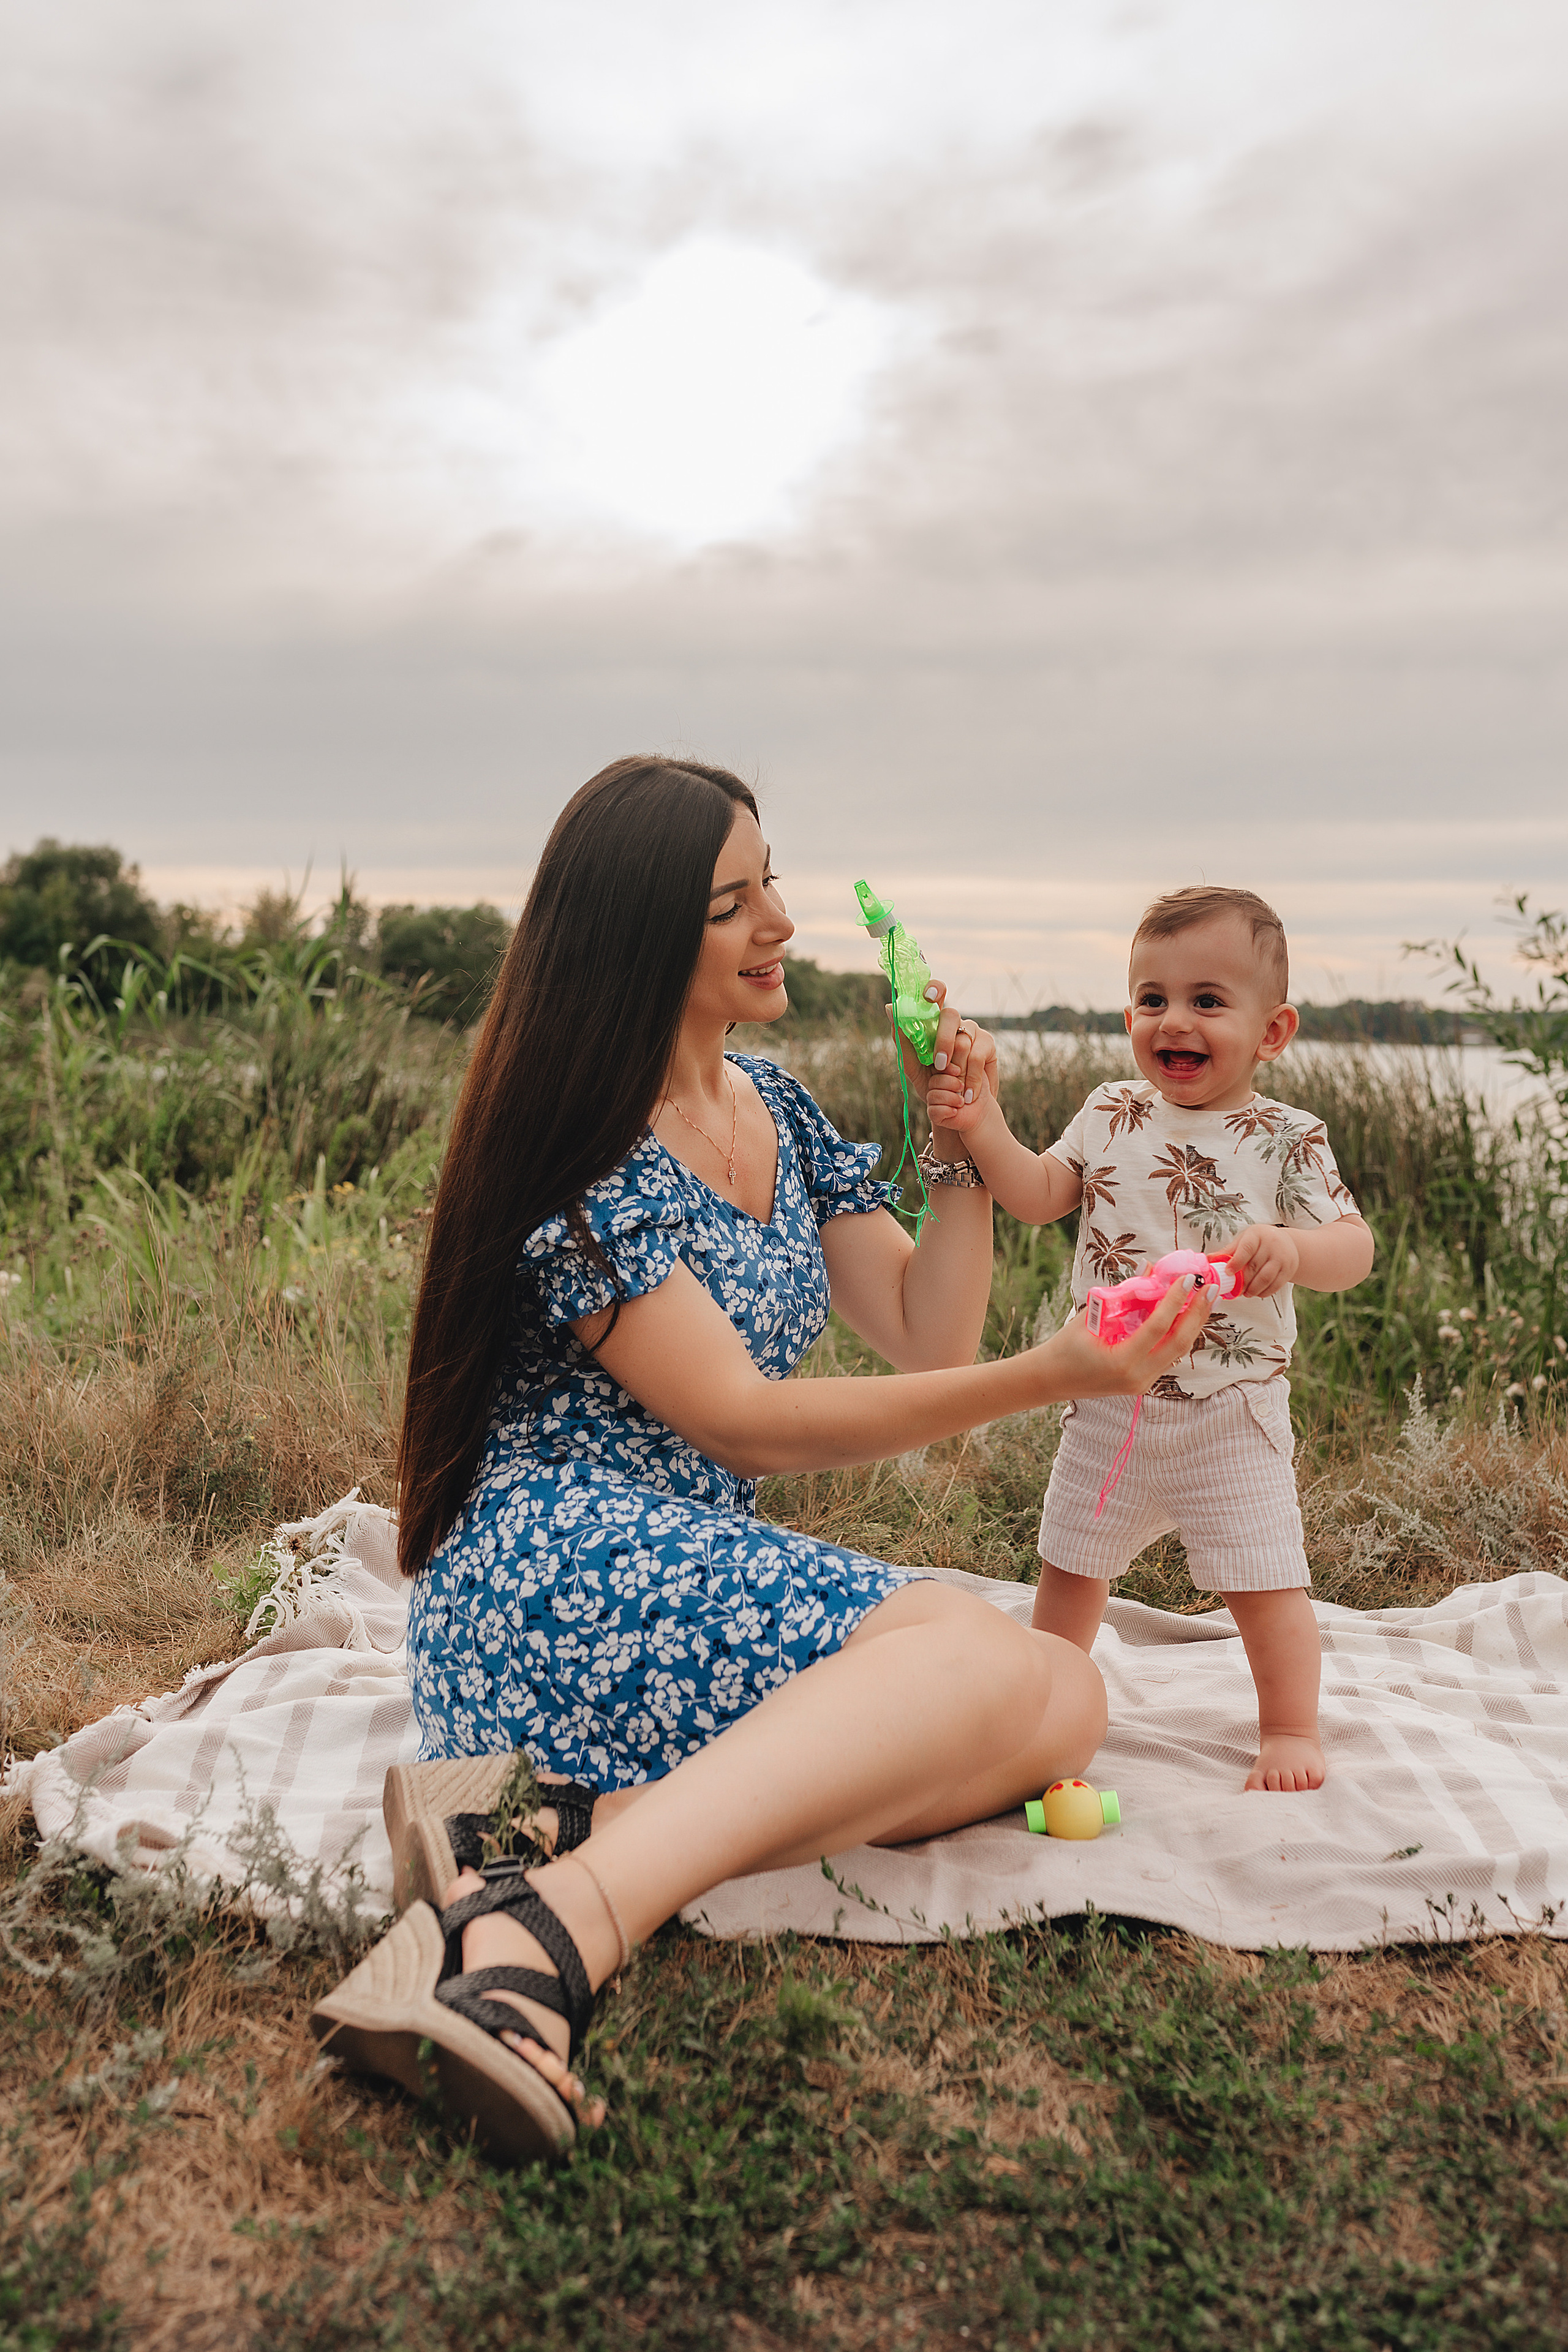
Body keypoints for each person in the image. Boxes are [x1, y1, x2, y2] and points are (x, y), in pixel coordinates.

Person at [311, 756, 1210, 2162]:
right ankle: (539, 1944)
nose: (781, 920)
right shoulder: (586, 1151)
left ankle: (541, 1827)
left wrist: (959, 1140)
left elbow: (922, 1331)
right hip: (556, 1568)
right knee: (979, 1665)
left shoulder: (775, 1108)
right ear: (639, 939)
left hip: (694, 1572)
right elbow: (738, 1420)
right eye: (735, 902)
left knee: (1060, 1697)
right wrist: (1054, 1377)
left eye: (771, 880)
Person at [926, 884, 1375, 1796]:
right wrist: (983, 1128)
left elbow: (1355, 1250)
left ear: (1273, 1031)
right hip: (1108, 1397)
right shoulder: (1110, 1112)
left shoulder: (1287, 1138)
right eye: (1153, 999)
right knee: (1070, 1566)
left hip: (1232, 1409)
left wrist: (1292, 1248)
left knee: (1265, 1578)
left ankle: (1288, 1727)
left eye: (1208, 1001)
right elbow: (1041, 1194)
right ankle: (1040, 1711)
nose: (1175, 1020)